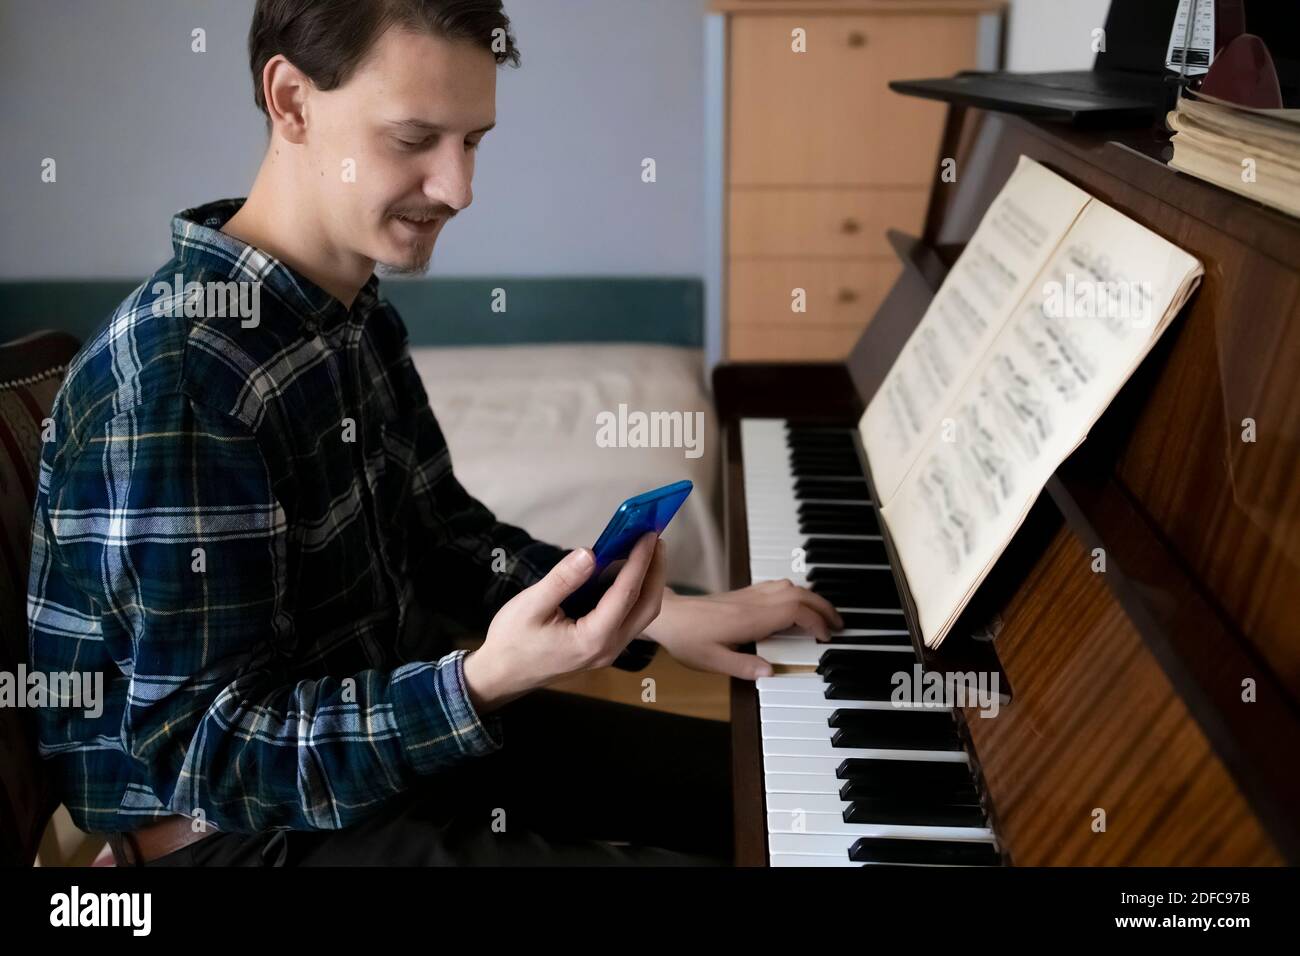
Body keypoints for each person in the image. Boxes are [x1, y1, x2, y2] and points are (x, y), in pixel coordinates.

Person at [27, 0, 840, 866]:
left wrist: (653, 613)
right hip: (238, 832)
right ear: (292, 101)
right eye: (415, 140)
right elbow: (209, 757)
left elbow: (445, 539)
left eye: (473, 141)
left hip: (388, 753)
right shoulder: (184, 375)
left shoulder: (349, 315)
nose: (459, 188)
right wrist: (484, 678)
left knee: (784, 802)